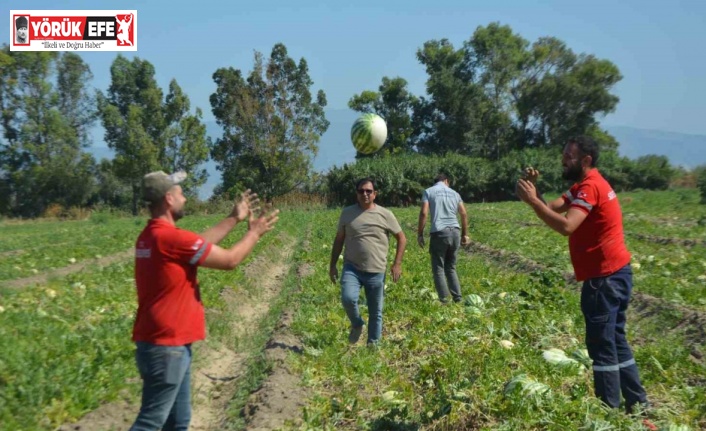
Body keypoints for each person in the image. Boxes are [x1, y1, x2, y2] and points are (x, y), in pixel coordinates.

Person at [130, 170, 279, 431]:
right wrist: (254, 233)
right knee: (150, 422)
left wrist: (234, 218)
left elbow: (197, 244)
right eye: (180, 193)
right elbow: (230, 260)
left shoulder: (152, 236)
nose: (185, 198)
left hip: (164, 344)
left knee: (177, 422)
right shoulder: (171, 238)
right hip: (167, 347)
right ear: (168, 199)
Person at [516, 136, 649, 414]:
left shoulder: (590, 188)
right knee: (616, 340)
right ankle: (638, 404)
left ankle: (609, 410)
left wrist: (533, 202)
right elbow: (551, 208)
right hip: (615, 274)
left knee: (601, 345)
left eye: (569, 155)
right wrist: (534, 195)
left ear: (585, 160)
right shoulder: (583, 186)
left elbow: (567, 226)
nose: (563, 159)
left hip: (605, 279)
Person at [329, 178, 407, 345]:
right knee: (348, 299)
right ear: (356, 194)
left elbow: (401, 238)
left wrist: (397, 263)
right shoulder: (347, 213)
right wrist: (332, 265)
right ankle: (357, 324)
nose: (365, 194)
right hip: (352, 268)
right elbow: (339, 240)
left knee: (375, 312)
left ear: (375, 194)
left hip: (376, 270)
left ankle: (373, 346)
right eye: (361, 191)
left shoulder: (385, 214)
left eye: (368, 191)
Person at [416, 173, 470, 303]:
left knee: (438, 268)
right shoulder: (455, 193)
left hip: (439, 232)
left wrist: (420, 233)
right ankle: (458, 298)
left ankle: (445, 301)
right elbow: (463, 213)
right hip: (455, 231)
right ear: (446, 181)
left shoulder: (429, 191)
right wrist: (465, 234)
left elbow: (424, 212)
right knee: (451, 267)